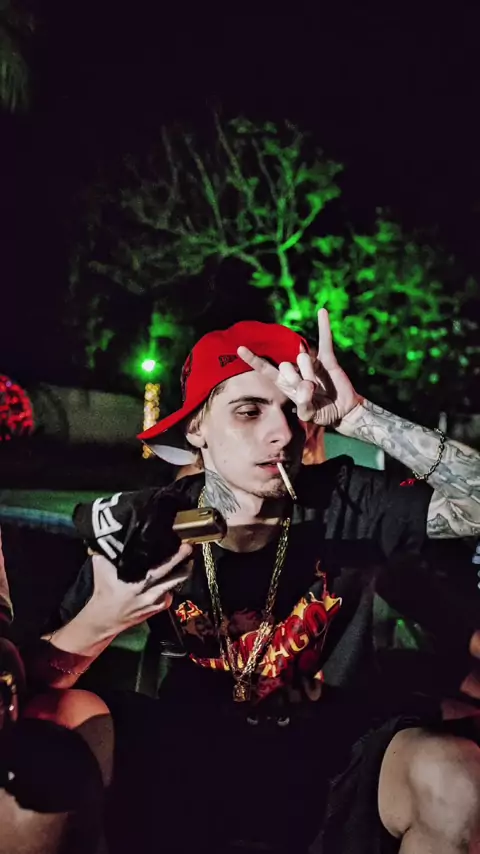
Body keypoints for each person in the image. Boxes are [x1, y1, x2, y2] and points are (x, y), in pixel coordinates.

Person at [26, 311, 480, 854]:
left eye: (292, 410)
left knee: (455, 776)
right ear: (196, 428)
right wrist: (100, 620)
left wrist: (360, 416)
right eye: (249, 411)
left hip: (332, 754)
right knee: (61, 720)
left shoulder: (346, 498)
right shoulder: (150, 521)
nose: (282, 433)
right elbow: (33, 687)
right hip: (184, 758)